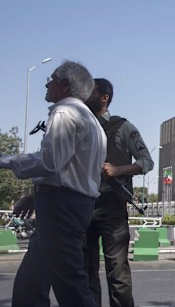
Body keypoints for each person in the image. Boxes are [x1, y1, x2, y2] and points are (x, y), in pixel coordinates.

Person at [1, 61, 106, 306]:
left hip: (61, 207)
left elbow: (50, 163)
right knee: (30, 284)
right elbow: (67, 168)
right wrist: (35, 194)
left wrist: (6, 161)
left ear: (65, 83)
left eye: (51, 79)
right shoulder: (90, 121)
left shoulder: (64, 113)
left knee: (71, 287)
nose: (47, 84)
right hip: (68, 204)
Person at [83, 78, 154, 307]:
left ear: (105, 97)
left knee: (118, 273)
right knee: (85, 272)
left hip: (112, 207)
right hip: (82, 206)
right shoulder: (79, 127)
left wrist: (117, 170)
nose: (85, 94)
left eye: (91, 91)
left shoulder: (123, 127)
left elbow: (146, 162)